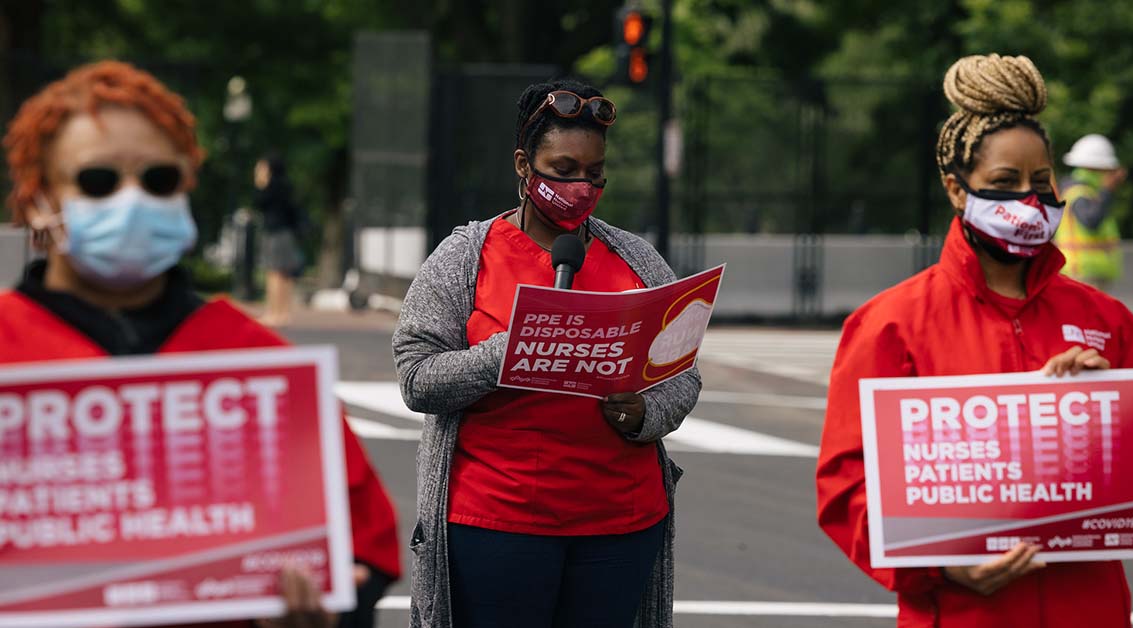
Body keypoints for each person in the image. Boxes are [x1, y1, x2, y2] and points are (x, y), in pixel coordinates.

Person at [0, 60, 400, 627]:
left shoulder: (257, 364)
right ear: (40, 199)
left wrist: (329, 610)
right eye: (98, 181)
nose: (132, 199)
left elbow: (362, 548)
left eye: (159, 179)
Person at [816, 54, 1133, 627]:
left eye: (1041, 183)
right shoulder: (891, 324)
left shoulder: (1105, 319)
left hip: (1087, 610)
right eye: (1004, 183)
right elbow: (846, 490)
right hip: (963, 613)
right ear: (956, 189)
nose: (1028, 199)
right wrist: (938, 567)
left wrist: (1109, 411)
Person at [392, 78, 698, 628]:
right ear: (523, 164)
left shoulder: (636, 260)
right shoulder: (465, 257)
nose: (581, 186)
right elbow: (417, 378)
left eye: (594, 173)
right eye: (563, 171)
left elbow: (683, 374)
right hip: (495, 524)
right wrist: (508, 352)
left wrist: (645, 413)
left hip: (620, 525)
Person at [1055, 134, 1127, 291]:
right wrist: (1107, 190)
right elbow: (1091, 221)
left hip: (1089, 273)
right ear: (1095, 168)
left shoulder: (1089, 192)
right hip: (1082, 273)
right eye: (1107, 169)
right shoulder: (1078, 192)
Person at [254, 155, 305, 326]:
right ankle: (284, 313)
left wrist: (260, 184)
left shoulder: (270, 187)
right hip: (287, 233)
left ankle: (273, 312)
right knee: (286, 274)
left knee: (274, 273)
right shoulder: (286, 185)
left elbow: (260, 203)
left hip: (274, 233)